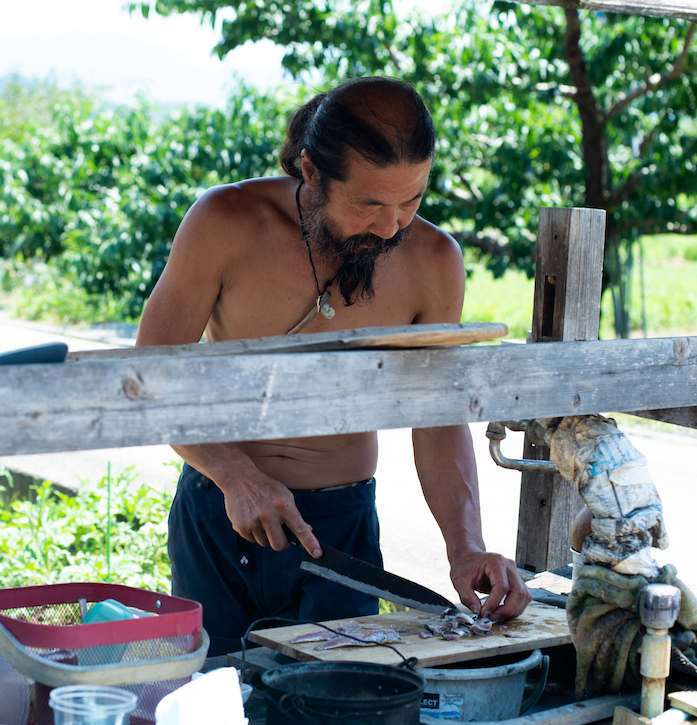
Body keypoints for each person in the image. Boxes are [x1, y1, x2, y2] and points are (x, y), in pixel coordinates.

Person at [136, 77, 531, 655]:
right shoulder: (225, 221)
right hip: (218, 507)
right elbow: (150, 375)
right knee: (214, 691)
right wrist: (232, 474)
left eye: (412, 200)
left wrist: (466, 547)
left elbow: (439, 418)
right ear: (311, 172)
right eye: (370, 204)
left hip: (339, 525)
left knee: (334, 699)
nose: (393, 225)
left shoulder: (433, 261)